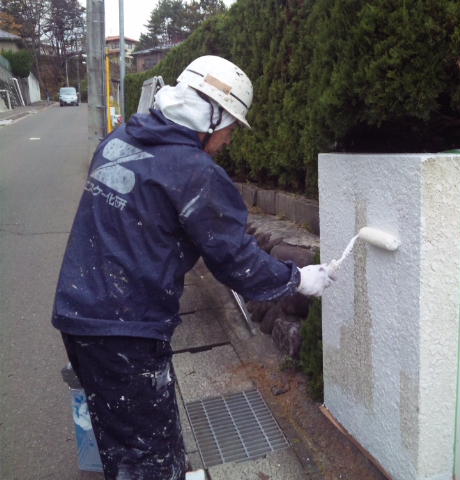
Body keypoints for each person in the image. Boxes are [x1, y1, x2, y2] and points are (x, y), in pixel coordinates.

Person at [51, 56, 337, 479]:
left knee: (122, 438)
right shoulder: (192, 171)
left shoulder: (122, 139)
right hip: (126, 330)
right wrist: (296, 279)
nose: (229, 139)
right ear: (211, 113)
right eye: (231, 126)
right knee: (145, 459)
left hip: (79, 315)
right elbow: (235, 260)